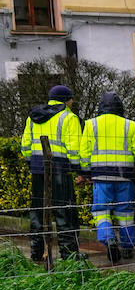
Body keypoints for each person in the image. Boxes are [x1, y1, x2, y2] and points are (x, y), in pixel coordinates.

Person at [79, 91, 135, 264]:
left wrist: (85, 173)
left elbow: (84, 152)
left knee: (101, 211)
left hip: (100, 177)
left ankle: (109, 239)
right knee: (125, 213)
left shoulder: (91, 124)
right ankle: (127, 247)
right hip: (125, 177)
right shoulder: (130, 125)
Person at [21, 84, 84, 261]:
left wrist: (33, 163)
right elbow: (74, 150)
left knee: (38, 211)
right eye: (71, 99)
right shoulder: (68, 117)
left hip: (37, 168)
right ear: (66, 100)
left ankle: (36, 252)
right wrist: (78, 170)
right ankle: (69, 255)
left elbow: (25, 146)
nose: (72, 102)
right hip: (60, 170)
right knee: (65, 212)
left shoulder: (33, 117)